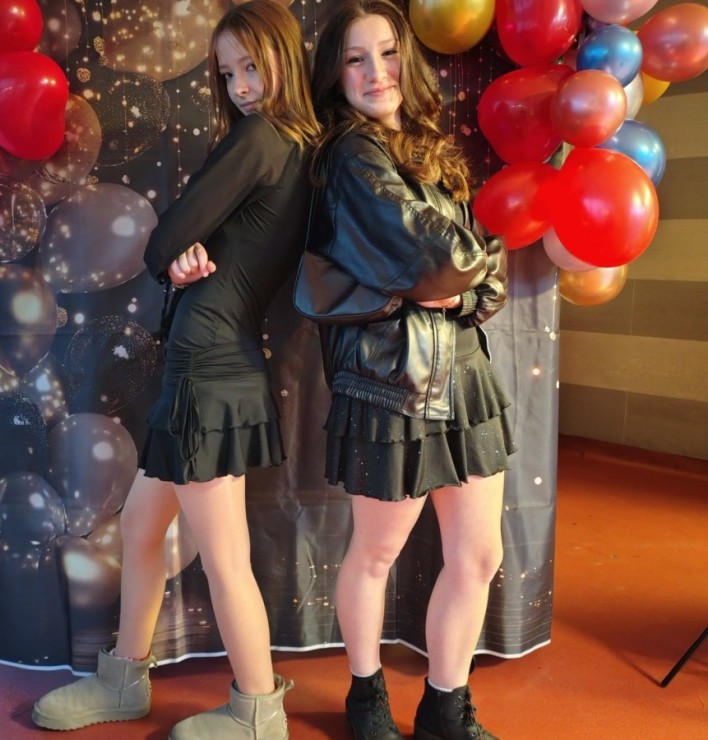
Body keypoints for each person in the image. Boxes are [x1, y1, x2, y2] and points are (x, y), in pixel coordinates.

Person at [31, 2, 320, 738]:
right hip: (209, 360)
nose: (242, 86)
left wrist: (175, 254)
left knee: (224, 557)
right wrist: (188, 256)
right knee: (139, 527)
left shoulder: (263, 136)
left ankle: (258, 711)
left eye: (252, 66)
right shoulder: (294, 146)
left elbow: (163, 240)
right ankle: (124, 679)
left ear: (284, 57)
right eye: (228, 73)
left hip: (209, 367)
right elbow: (205, 248)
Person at [301, 1, 516, 738]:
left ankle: (445, 708)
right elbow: (446, 257)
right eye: (356, 58)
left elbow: (485, 273)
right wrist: (463, 271)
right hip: (391, 382)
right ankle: (366, 699)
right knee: (376, 553)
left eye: (388, 52)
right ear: (335, 74)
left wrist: (465, 281)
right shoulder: (350, 156)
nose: (376, 72)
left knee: (478, 554)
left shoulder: (428, 148)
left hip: (463, 375)